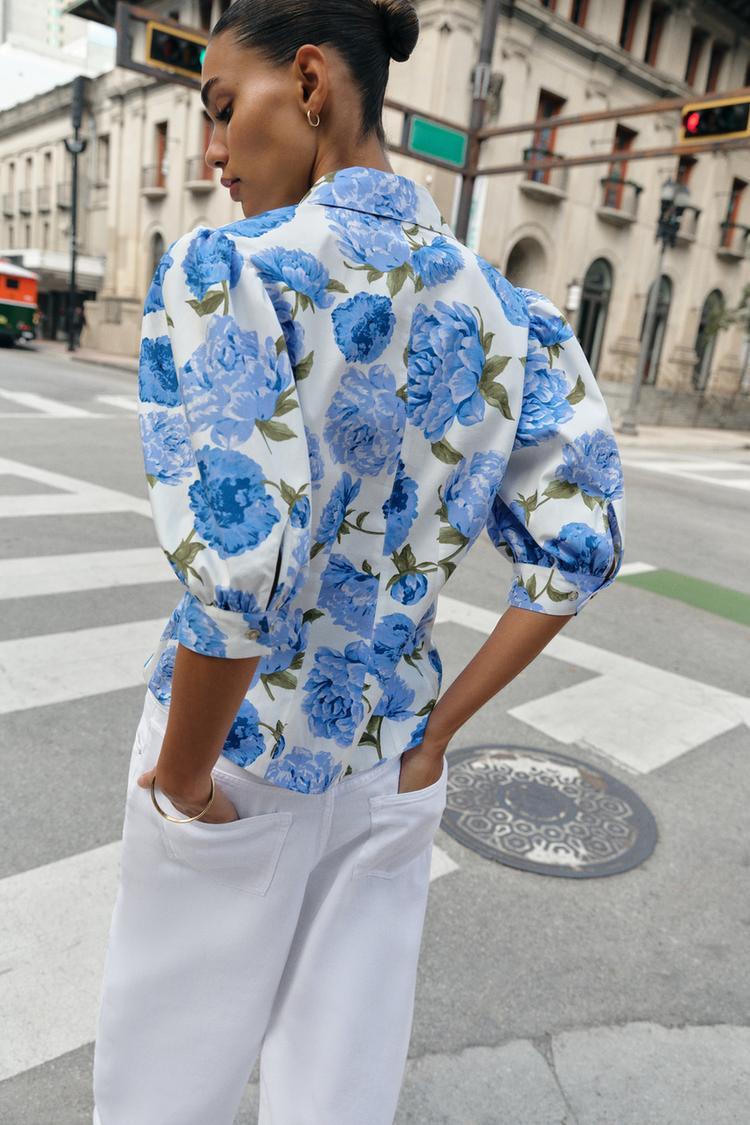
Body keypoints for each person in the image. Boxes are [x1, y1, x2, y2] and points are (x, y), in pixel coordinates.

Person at [92, 1, 626, 1122]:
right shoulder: (511, 314)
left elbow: (240, 572)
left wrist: (184, 783)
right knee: (340, 1082)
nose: (215, 150)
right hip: (393, 754)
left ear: (311, 82)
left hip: (238, 750)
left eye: (224, 108)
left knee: (165, 1081)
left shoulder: (232, 269)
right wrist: (438, 732)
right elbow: (577, 550)